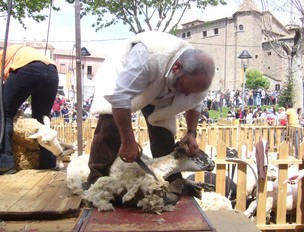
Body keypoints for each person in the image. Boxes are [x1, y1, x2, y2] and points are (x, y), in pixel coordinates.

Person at [86, 31, 215, 200]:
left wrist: (191, 133)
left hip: (161, 86)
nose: (187, 94)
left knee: (164, 134)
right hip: (124, 79)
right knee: (109, 123)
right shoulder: (147, 57)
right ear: (177, 67)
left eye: (192, 91)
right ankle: (97, 179)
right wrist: (128, 141)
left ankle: (170, 181)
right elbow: (120, 98)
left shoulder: (197, 79)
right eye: (185, 87)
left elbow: (195, 102)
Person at [0, 45, 59, 173]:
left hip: (28, 68)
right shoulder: (14, 52)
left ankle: (5, 163)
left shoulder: (1, 56)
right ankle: (47, 161)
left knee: (4, 113)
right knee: (43, 117)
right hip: (52, 71)